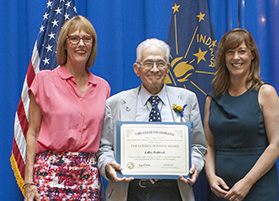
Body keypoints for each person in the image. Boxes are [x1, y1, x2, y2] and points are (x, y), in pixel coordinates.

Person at [97, 38, 207, 201]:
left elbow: (198, 145)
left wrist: (194, 165)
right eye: (148, 63)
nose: (155, 69)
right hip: (129, 191)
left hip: (174, 191)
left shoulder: (187, 99)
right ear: (137, 68)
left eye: (160, 63)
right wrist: (107, 165)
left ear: (168, 68)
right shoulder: (115, 103)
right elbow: (103, 148)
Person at [23, 15, 110, 201]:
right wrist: (28, 182)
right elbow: (32, 132)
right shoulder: (44, 80)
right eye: (75, 38)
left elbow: (106, 139)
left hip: (88, 178)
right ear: (64, 43)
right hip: (49, 175)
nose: (81, 44)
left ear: (92, 45)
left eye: (87, 39)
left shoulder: (103, 87)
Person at [203, 28, 279, 201]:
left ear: (252, 55)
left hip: (258, 186)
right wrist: (211, 177)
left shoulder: (266, 93)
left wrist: (247, 182)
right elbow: (208, 144)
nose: (236, 57)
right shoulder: (212, 98)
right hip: (221, 189)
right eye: (230, 52)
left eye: (242, 51)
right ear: (223, 57)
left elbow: (276, 144)